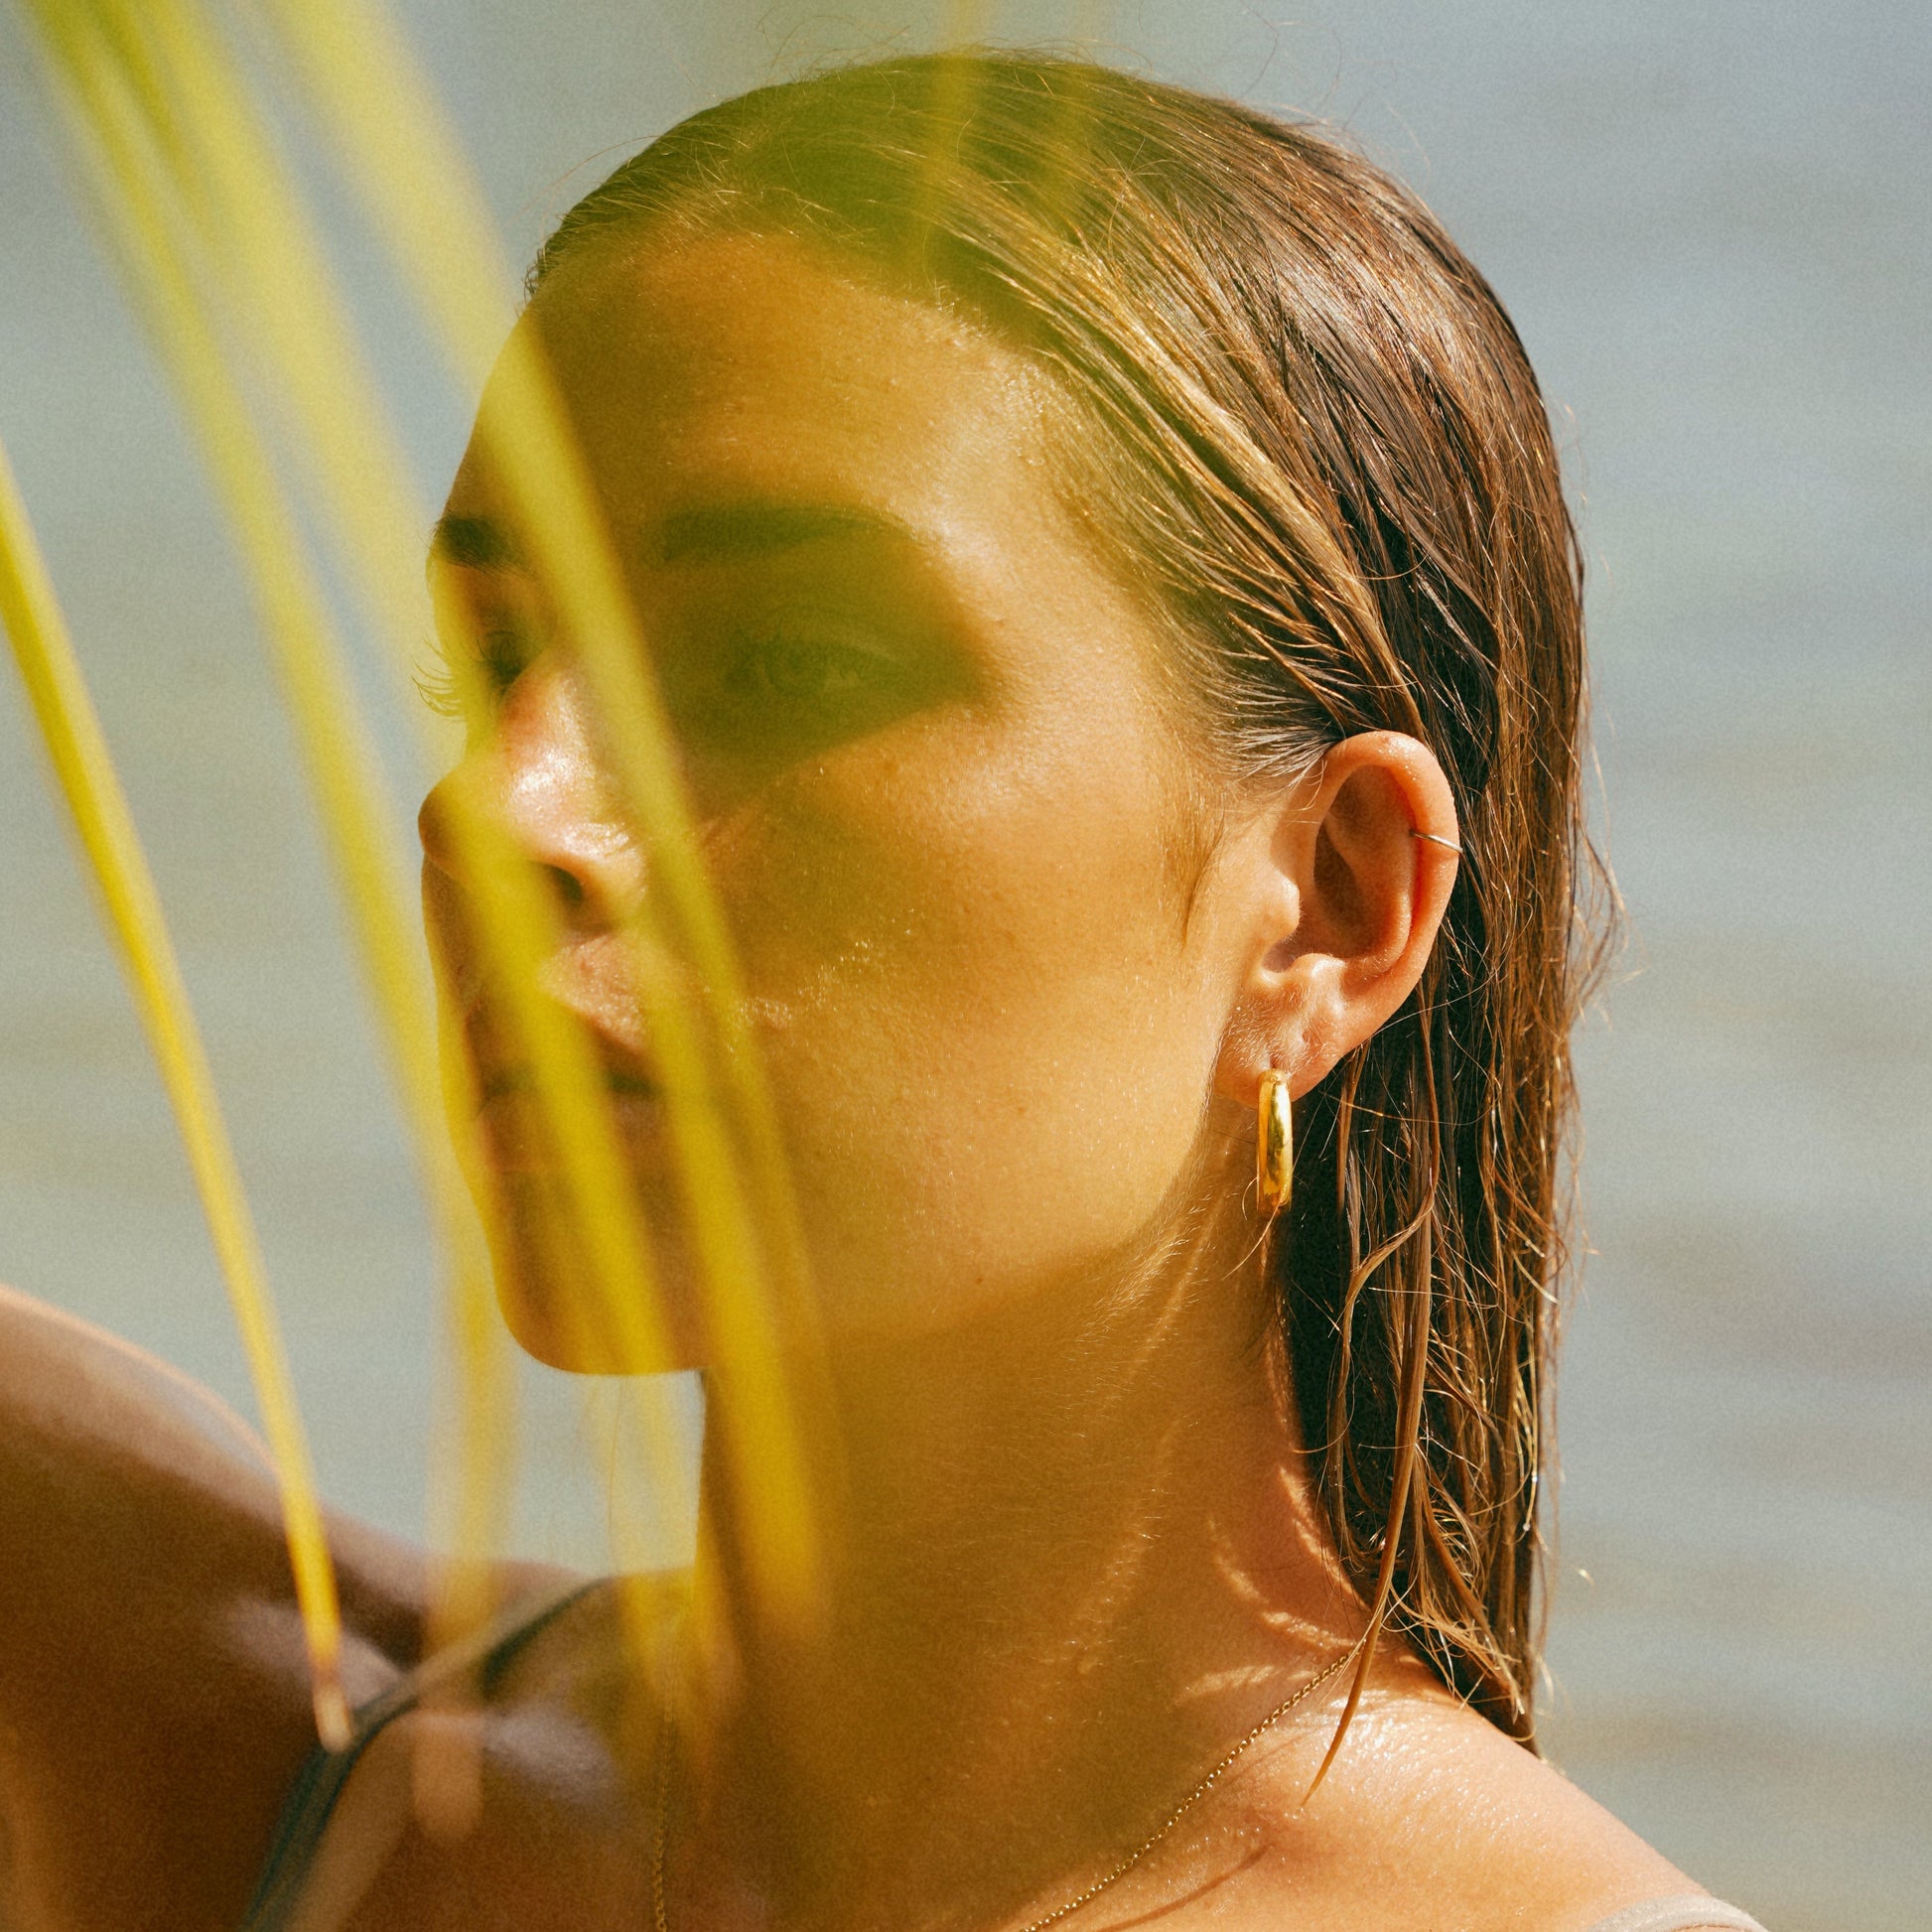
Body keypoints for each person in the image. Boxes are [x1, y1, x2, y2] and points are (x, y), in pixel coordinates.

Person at [0, 52, 1768, 1932]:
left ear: (1327, 906)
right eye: (492, 661)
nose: (495, 808)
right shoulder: (244, 1740)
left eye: (784, 663)